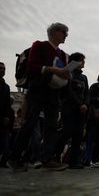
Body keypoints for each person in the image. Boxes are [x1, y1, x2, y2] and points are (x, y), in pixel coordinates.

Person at [8, 22, 70, 172]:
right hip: (38, 89)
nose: (66, 35)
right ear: (54, 32)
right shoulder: (39, 45)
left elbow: (63, 73)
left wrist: (67, 74)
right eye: (63, 32)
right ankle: (14, 158)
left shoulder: (62, 54)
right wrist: (54, 69)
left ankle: (47, 159)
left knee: (52, 126)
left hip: (53, 92)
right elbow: (32, 67)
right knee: (30, 123)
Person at [55, 52, 89, 169]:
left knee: (78, 134)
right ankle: (56, 156)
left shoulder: (84, 77)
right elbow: (68, 91)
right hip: (69, 107)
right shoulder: (68, 74)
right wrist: (79, 104)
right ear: (76, 61)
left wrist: (85, 103)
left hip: (81, 110)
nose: (84, 62)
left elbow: (86, 93)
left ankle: (73, 160)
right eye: (82, 60)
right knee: (67, 131)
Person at [0, 62, 12, 167]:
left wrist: (7, 116)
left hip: (3, 120)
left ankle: (3, 162)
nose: (2, 70)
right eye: (0, 68)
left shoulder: (6, 87)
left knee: (6, 145)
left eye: (4, 68)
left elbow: (8, 103)